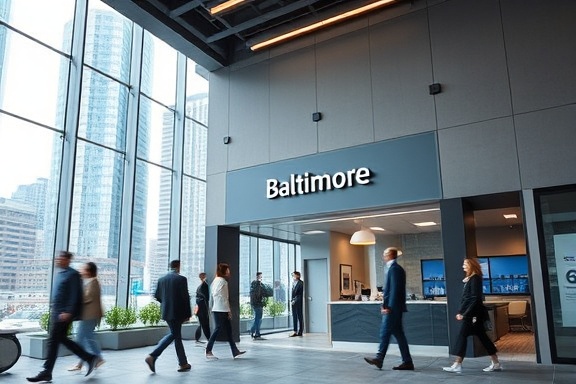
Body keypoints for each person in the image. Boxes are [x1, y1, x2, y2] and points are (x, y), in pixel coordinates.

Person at [27, 251, 98, 382]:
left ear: (67, 260)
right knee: (61, 340)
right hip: (57, 312)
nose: (58, 260)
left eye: (61, 258)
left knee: (53, 341)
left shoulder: (73, 274)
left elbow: (75, 295)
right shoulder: (61, 274)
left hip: (63, 314)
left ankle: (47, 371)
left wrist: (69, 311)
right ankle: (89, 358)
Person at [443, 258, 501, 373]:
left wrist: (465, 314)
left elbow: (474, 298)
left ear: (471, 265)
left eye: (465, 264)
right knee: (482, 338)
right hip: (474, 314)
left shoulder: (475, 279)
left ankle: (457, 364)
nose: (463, 266)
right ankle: (495, 363)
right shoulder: (472, 278)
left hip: (473, 315)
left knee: (463, 337)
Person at [364, 247, 414, 371]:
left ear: (391, 255)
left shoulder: (395, 269)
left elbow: (394, 291)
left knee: (385, 332)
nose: (383, 256)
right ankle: (407, 362)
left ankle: (379, 358)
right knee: (399, 335)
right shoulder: (393, 269)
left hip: (393, 308)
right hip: (395, 307)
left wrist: (388, 307)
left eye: (385, 254)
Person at [145, 260, 192, 373]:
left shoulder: (162, 279)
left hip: (166, 312)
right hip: (178, 312)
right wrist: (188, 314)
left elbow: (157, 296)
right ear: (178, 267)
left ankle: (183, 363)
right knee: (174, 335)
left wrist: (167, 304)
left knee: (176, 336)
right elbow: (185, 298)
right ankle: (152, 356)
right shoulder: (182, 279)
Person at [68, 262, 105, 372]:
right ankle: (87, 361)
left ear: (89, 272)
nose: (81, 271)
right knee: (86, 338)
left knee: (81, 339)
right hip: (88, 315)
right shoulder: (90, 282)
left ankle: (96, 358)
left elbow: (87, 298)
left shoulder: (93, 283)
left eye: (83, 269)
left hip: (90, 315)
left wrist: (74, 299)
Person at [205, 263, 246, 360]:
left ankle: (234, 351)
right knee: (218, 329)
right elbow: (225, 298)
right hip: (222, 309)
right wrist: (229, 311)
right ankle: (208, 350)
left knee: (228, 330)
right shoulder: (223, 282)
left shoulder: (215, 281)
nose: (229, 272)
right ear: (224, 271)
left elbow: (214, 295)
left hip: (217, 308)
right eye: (227, 270)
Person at [249, 272, 272, 340]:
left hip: (255, 304)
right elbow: (264, 293)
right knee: (258, 319)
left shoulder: (253, 285)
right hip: (258, 304)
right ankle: (256, 333)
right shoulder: (258, 285)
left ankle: (254, 331)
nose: (261, 278)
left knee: (257, 318)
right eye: (260, 277)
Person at [194, 272, 211, 344]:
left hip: (199, 307)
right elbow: (207, 297)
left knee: (201, 323)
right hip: (203, 307)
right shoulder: (204, 285)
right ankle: (209, 338)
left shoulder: (200, 286)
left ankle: (198, 337)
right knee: (204, 323)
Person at [289, 271, 303, 337]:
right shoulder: (293, 283)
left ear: (298, 276)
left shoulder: (301, 283)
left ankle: (300, 331)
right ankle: (295, 331)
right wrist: (292, 300)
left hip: (298, 302)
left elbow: (299, 294)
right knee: (294, 316)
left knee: (299, 316)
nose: (293, 277)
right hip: (293, 302)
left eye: (293, 275)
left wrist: (295, 300)